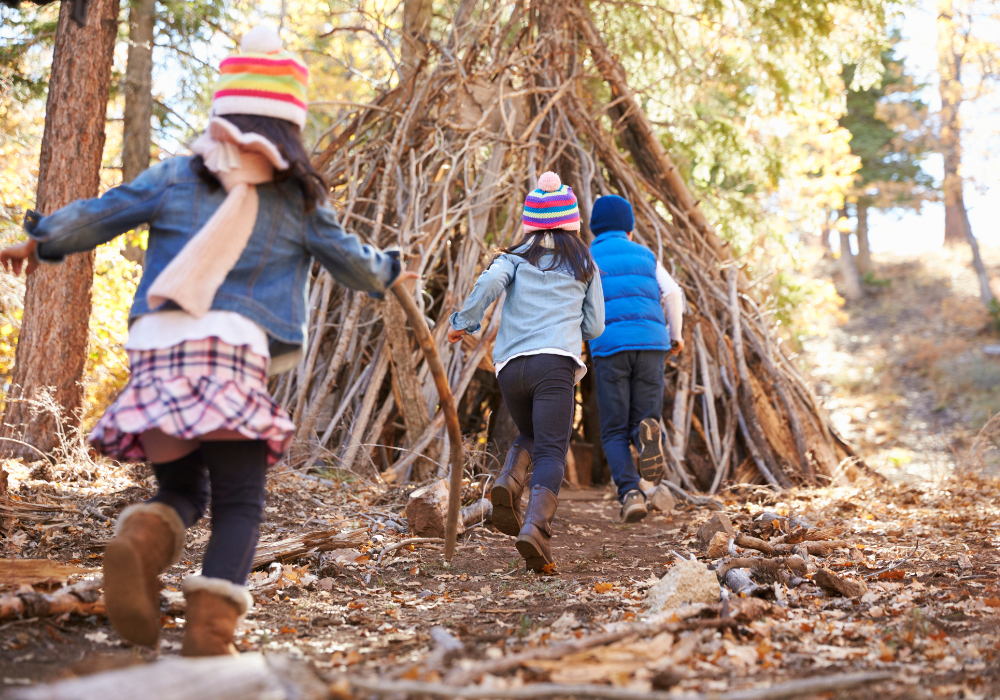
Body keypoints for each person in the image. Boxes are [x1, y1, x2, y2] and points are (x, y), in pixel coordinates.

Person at [0, 27, 413, 655]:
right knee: (239, 502)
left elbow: (106, 210)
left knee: (180, 491)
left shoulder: (175, 175)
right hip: (229, 356)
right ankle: (209, 633)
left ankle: (140, 543)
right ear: (289, 127)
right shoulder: (297, 200)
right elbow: (353, 264)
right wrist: (391, 271)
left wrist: (39, 242)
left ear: (223, 113)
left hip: (157, 354)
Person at [447, 172, 604, 572]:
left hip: (510, 367)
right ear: (572, 223)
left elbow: (488, 283)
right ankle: (536, 529)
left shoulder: (514, 257)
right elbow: (595, 326)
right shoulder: (584, 263)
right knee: (552, 449)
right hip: (554, 364)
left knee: (532, 435)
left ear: (531, 224)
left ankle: (508, 481)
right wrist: (570, 328)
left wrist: (463, 323)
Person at [587, 195, 684, 523]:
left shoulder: (588, 257)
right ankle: (646, 443)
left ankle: (630, 494)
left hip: (610, 346)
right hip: (652, 344)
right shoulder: (646, 255)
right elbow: (672, 293)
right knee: (644, 420)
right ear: (629, 229)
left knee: (613, 430)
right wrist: (675, 335)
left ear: (595, 228)